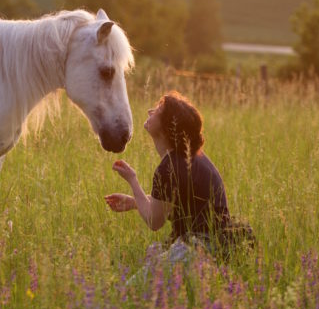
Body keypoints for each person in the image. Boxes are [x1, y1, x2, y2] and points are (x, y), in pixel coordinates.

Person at [105, 90, 253, 265]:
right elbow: (173, 205)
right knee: (151, 256)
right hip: (212, 244)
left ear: (167, 127)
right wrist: (134, 202)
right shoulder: (188, 158)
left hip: (201, 247)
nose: (149, 112)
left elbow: (154, 221)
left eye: (157, 110)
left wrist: (132, 179)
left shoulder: (170, 166)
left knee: (134, 286)